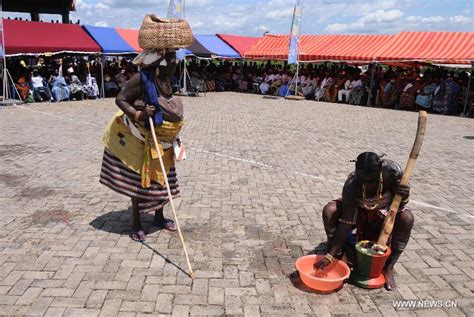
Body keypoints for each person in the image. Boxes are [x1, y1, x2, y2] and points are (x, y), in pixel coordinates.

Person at [100, 41, 187, 242]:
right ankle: (137, 223)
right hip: (139, 137)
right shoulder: (141, 78)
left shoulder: (166, 79)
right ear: (160, 62)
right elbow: (120, 99)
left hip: (162, 141)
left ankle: (159, 216)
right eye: (172, 59)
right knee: (140, 182)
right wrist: (139, 113)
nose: (176, 63)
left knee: (163, 178)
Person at [315, 152, 413, 291]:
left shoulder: (393, 172)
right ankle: (339, 254)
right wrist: (330, 255)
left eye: (371, 181)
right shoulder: (352, 183)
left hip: (384, 216)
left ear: (379, 171)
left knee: (407, 218)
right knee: (330, 210)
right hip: (359, 214)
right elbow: (345, 223)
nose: (366, 185)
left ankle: (388, 267)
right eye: (362, 180)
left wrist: (404, 195)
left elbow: (399, 204)